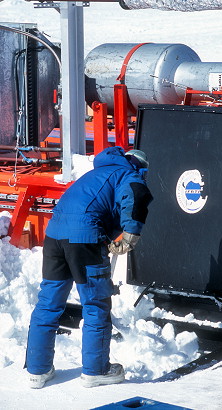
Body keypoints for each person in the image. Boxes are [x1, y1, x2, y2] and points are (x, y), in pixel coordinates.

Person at [25, 146, 153, 389]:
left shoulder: (96, 174)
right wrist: (131, 233)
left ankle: (37, 371)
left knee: (48, 303)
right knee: (95, 303)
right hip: (83, 237)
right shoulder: (128, 173)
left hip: (54, 236)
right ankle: (96, 371)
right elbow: (136, 195)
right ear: (138, 165)